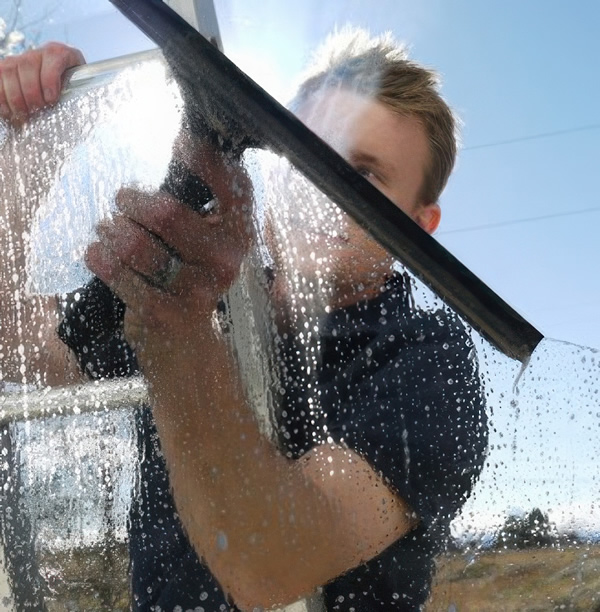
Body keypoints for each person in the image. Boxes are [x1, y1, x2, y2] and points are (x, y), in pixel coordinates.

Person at [0, 27, 488, 611]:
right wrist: (32, 137)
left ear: (419, 223)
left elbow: (268, 562)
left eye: (363, 176)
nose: (322, 190)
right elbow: (19, 344)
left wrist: (177, 330)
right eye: (306, 154)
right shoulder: (208, 289)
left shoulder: (427, 358)